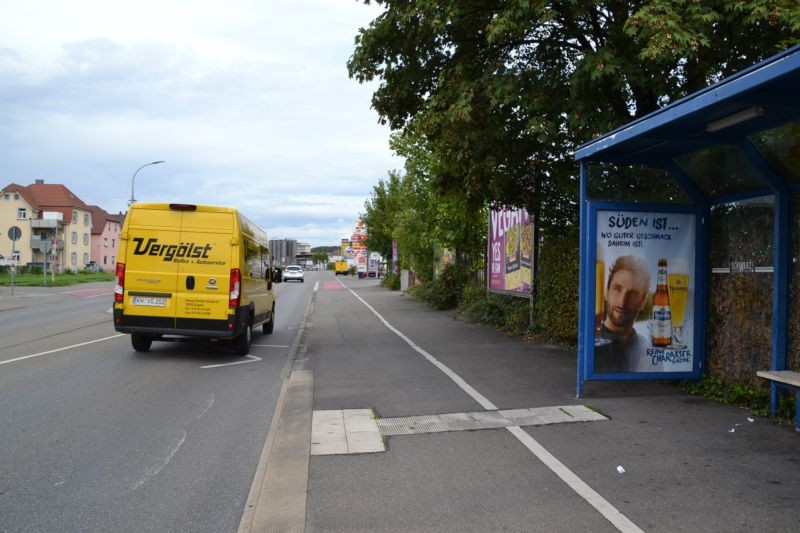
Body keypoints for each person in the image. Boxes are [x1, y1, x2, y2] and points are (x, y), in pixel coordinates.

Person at [595, 254, 662, 373]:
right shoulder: (592, 347)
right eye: (617, 289)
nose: (622, 302)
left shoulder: (649, 352)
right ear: (606, 292)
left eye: (632, 294)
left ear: (642, 302)